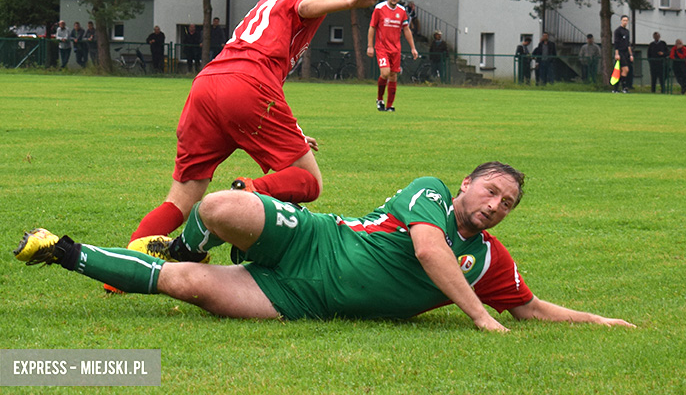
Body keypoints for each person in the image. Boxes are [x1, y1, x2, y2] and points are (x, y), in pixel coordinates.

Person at [14, 162, 635, 332]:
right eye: (491, 191)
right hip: (316, 242)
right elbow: (426, 251)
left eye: (508, 204)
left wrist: (599, 319)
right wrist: (476, 315)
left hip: (299, 300)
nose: (496, 205)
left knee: (184, 288)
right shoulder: (431, 196)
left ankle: (62, 250)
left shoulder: (489, 260)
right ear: (467, 183)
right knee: (221, 205)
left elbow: (528, 307)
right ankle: (189, 245)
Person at [112, 0, 386, 295]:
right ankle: (246, 192)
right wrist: (351, 2)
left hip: (208, 85)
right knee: (307, 180)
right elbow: (309, 4)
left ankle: (117, 274)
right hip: (245, 86)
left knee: (182, 196)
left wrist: (295, 129)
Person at [367, 0, 418, 112]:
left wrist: (413, 48)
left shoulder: (401, 11)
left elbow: (406, 29)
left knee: (393, 76)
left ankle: (389, 105)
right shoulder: (379, 8)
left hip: (396, 49)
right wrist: (370, 46)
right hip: (382, 47)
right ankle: (380, 99)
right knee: (385, 73)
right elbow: (372, 27)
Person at [612, 15, 633, 93]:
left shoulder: (627, 32)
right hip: (620, 52)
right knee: (625, 69)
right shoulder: (618, 31)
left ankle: (616, 88)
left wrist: (631, 55)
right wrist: (616, 54)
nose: (625, 22)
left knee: (621, 71)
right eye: (624, 20)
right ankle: (624, 87)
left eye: (626, 20)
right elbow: (616, 43)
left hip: (625, 53)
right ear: (621, 21)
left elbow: (628, 44)